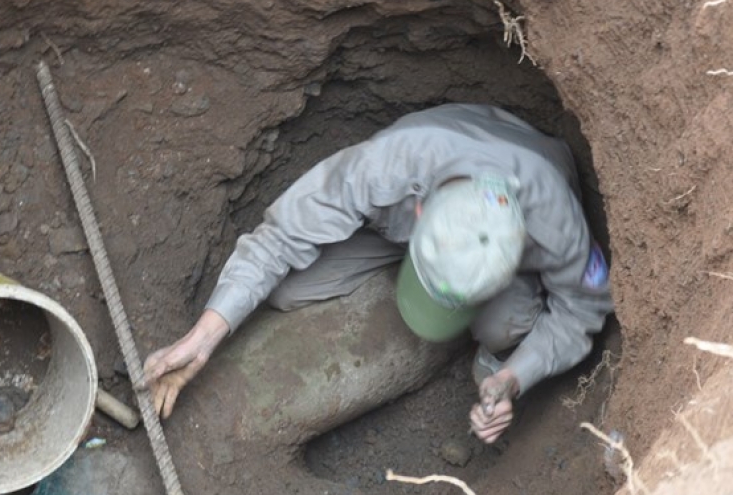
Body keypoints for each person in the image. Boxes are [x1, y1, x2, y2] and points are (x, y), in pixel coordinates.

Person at [142, 103, 614, 444]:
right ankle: (411, 265)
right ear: (422, 208)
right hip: (403, 217)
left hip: (505, 252)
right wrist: (205, 336)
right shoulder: (388, 165)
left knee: (501, 325)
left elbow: (581, 310)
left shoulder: (557, 225)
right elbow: (280, 234)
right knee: (287, 289)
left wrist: (512, 377)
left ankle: (490, 346)